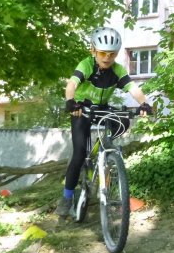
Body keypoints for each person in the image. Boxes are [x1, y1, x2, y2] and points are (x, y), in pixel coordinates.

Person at [56, 27, 153, 217]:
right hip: (81, 109)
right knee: (78, 154)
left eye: (112, 54)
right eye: (102, 53)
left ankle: (106, 153)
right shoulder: (86, 65)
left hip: (102, 108)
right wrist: (70, 101)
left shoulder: (117, 70)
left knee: (123, 121)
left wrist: (144, 103)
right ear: (93, 51)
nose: (107, 57)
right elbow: (72, 84)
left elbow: (132, 87)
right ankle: (67, 197)